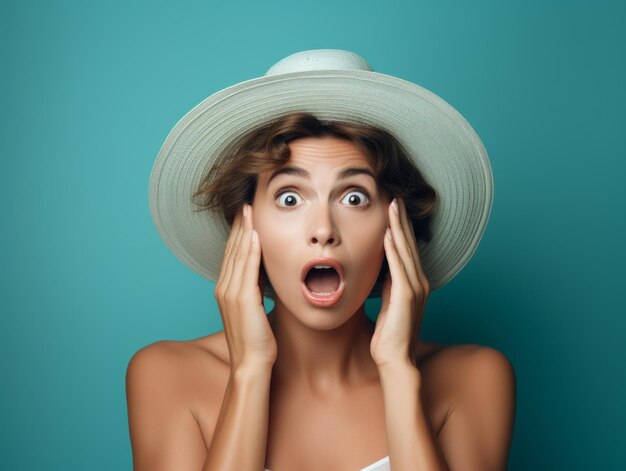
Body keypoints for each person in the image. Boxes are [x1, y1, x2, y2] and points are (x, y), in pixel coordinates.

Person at [126, 50, 516, 471]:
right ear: (246, 224)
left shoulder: (473, 379)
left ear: (396, 225)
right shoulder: (166, 375)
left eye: (354, 198)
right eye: (290, 198)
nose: (323, 229)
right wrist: (251, 371)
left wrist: (398, 373)